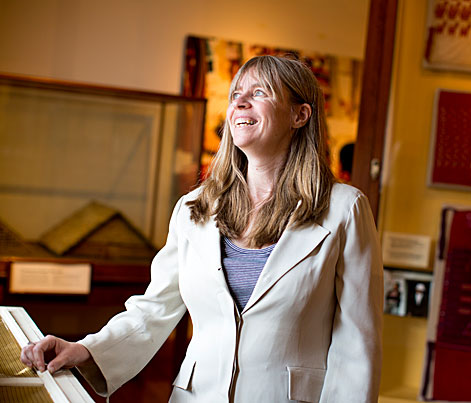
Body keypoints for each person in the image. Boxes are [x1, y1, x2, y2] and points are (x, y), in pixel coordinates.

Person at [21, 55, 383, 402]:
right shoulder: (194, 208)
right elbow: (155, 308)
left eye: (259, 92)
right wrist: (86, 349)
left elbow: (357, 345)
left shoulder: (344, 209)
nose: (240, 103)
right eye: (235, 94)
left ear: (299, 115)